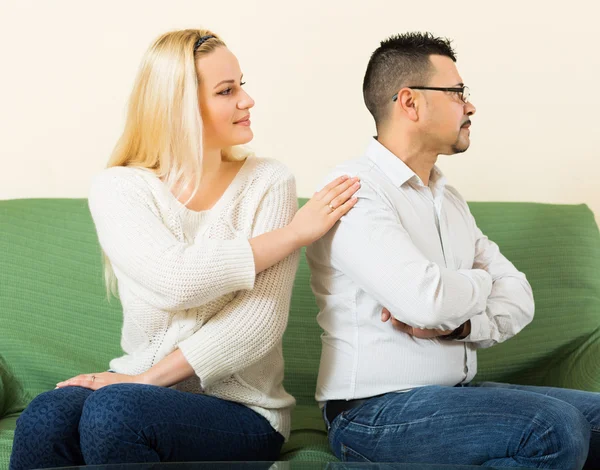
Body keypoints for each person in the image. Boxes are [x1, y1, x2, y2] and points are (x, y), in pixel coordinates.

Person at [9, 29, 360, 468]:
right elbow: (174, 280)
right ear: (177, 107)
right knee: (44, 416)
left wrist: (144, 381)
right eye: (226, 91)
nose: (247, 101)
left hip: (243, 412)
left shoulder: (269, 181)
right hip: (134, 388)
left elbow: (258, 324)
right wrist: (291, 235)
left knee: (116, 413)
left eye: (241, 85)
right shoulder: (119, 188)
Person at [306, 32, 600, 468]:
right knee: (552, 428)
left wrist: (459, 328)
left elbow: (519, 297)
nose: (470, 106)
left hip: (452, 397)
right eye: (458, 92)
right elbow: (426, 302)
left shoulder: (449, 198)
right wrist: (482, 281)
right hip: (373, 413)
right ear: (410, 102)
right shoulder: (357, 192)